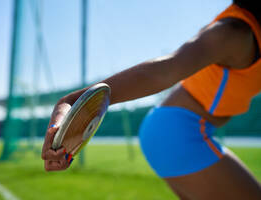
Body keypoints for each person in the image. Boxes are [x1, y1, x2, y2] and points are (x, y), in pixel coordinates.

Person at [41, 1, 261, 199]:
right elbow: (165, 70)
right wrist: (74, 99)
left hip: (178, 131)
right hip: (179, 133)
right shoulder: (234, 33)